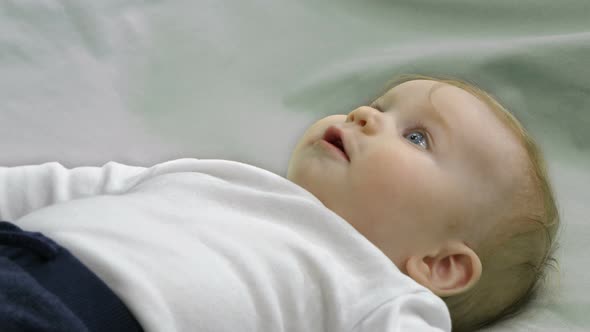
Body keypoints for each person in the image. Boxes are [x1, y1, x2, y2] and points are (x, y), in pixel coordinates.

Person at [0, 74, 559, 332]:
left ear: (438, 265)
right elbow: (57, 186)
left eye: (417, 138)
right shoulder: (217, 175)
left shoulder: (375, 291)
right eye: (378, 105)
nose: (365, 116)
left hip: (76, 315)